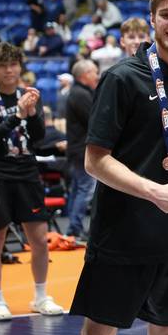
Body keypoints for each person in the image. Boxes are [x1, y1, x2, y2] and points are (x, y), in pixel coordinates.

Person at [68, 0, 168, 335]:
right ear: (152, 19)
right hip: (121, 236)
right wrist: (152, 191)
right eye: (166, 15)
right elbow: (94, 160)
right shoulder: (121, 78)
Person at [0, 42, 63, 322]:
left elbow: (37, 138)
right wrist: (17, 116)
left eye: (14, 64)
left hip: (26, 172)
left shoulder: (28, 95)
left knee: (39, 239)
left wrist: (32, 113)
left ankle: (40, 295)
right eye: (3, 65)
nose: (10, 70)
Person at [64, 59, 99, 240]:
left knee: (78, 189)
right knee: (84, 190)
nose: (97, 75)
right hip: (81, 150)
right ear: (85, 75)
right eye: (94, 72)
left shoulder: (78, 92)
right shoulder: (80, 94)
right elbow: (94, 120)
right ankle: (74, 229)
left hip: (75, 148)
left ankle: (72, 227)